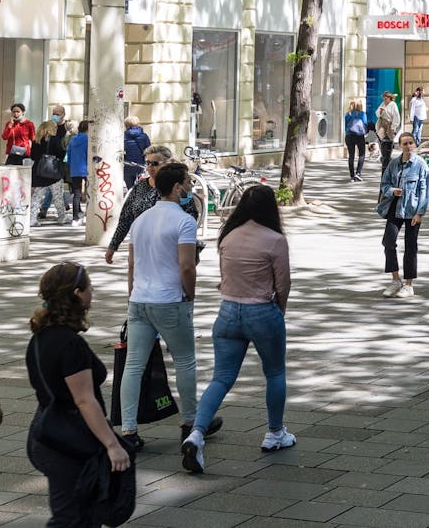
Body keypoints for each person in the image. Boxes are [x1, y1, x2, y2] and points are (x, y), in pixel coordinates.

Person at [180, 185, 293, 473]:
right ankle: (275, 432)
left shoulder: (228, 236)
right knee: (275, 372)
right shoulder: (275, 240)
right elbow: (283, 284)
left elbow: (224, 275)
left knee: (221, 378)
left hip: (228, 311)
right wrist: (279, 310)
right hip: (262, 311)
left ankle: (197, 433)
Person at [119, 162, 219, 452]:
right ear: (176, 188)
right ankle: (190, 423)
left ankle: (128, 429)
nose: (189, 188)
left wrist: (132, 295)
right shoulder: (184, 222)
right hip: (170, 299)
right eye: (187, 183)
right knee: (185, 361)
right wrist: (190, 294)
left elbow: (131, 264)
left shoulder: (141, 220)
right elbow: (187, 265)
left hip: (140, 299)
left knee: (134, 365)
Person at [25, 262, 134, 525]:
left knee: (83, 514)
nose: (93, 292)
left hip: (47, 432)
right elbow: (84, 400)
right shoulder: (68, 343)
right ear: (77, 293)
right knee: (71, 518)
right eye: (90, 287)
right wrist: (112, 445)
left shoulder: (40, 337)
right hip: (66, 441)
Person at [106, 145, 198, 265]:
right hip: (142, 249)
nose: (150, 167)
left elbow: (192, 213)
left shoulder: (179, 187)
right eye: (147, 163)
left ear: (167, 163)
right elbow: (125, 218)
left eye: (154, 163)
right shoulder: (140, 186)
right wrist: (113, 246)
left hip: (169, 250)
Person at [379, 133, 429, 299]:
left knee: (410, 246)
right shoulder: (394, 164)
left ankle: (409, 284)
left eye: (410, 143)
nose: (408, 146)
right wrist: (392, 191)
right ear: (400, 146)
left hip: (413, 209)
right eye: (404, 143)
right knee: (388, 241)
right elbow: (384, 183)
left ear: (414, 144)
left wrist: (420, 213)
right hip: (396, 207)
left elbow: (425, 191)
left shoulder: (421, 165)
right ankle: (396, 280)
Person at [30, 120, 71, 225]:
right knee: (57, 196)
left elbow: (32, 156)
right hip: (53, 173)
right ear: (51, 129)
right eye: (55, 128)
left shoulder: (36, 140)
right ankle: (62, 217)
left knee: (37, 197)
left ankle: (32, 218)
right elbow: (61, 154)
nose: (56, 129)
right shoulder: (55, 140)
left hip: (39, 172)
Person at [67, 119, 89, 223]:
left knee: (76, 194)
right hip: (87, 168)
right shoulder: (89, 139)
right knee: (90, 193)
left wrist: (71, 165)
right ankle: (88, 214)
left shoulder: (73, 139)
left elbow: (69, 155)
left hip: (75, 169)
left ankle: (75, 217)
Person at [375, 92, 402, 174]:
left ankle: (387, 166)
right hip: (382, 126)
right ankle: (385, 162)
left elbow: (396, 117)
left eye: (386, 97)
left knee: (387, 147)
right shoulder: (383, 104)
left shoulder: (393, 105)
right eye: (383, 98)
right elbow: (377, 114)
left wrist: (393, 127)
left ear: (389, 98)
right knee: (382, 145)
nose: (384, 99)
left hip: (389, 126)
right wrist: (381, 111)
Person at [343, 99, 369, 182]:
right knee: (361, 154)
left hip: (349, 136)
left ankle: (351, 176)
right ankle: (358, 173)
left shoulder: (348, 114)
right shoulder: (362, 114)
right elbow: (365, 124)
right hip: (359, 136)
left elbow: (346, 125)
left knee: (351, 156)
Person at [121, 116, 150, 188]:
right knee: (140, 187)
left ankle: (131, 197)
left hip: (127, 165)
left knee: (130, 188)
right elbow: (148, 148)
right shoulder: (144, 136)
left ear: (126, 125)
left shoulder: (122, 136)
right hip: (140, 164)